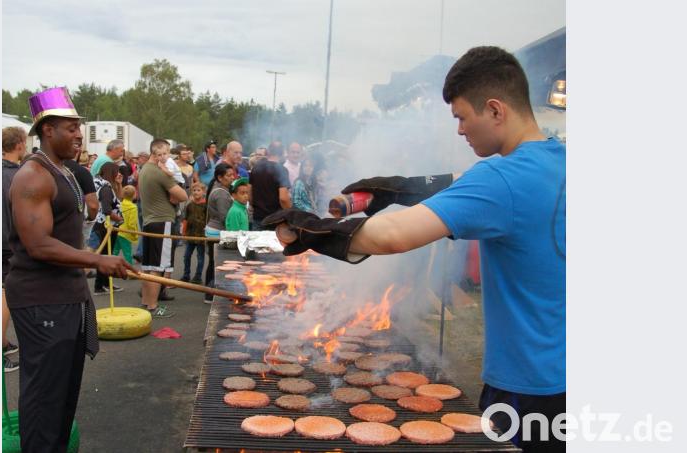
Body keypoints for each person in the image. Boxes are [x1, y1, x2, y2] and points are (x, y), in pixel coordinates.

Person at [264, 46, 565, 452]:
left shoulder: (502, 176)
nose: (459, 130)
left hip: (528, 387)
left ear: (495, 110)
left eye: (462, 116)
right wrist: (401, 188)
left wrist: (314, 231)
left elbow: (393, 235)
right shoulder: (560, 160)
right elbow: (464, 183)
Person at [6, 87, 132, 452]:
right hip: (41, 301)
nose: (78, 134)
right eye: (70, 127)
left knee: (63, 398)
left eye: (79, 127)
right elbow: (38, 244)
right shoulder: (33, 175)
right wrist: (97, 259)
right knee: (45, 399)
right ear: (47, 130)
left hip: (68, 299)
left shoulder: (63, 171)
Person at [138, 139, 189, 316]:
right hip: (162, 221)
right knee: (158, 267)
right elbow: (182, 196)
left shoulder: (145, 169)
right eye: (164, 153)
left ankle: (146, 302)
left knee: (148, 265)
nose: (166, 157)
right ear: (155, 153)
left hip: (149, 220)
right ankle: (153, 306)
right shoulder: (160, 173)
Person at [2, 126, 27, 373]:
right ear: (19, 144)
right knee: (4, 295)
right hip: (7, 244)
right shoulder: (18, 176)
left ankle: (5, 343)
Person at [203, 163, 237, 303]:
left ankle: (210, 293)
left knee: (214, 263)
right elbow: (225, 217)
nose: (232, 178)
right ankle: (210, 294)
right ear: (220, 177)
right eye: (228, 176)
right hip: (217, 231)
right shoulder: (221, 194)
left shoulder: (222, 189)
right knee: (216, 264)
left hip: (215, 230)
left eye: (232, 174)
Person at [92, 162, 124, 296]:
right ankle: (99, 285)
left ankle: (106, 282)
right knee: (105, 255)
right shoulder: (105, 188)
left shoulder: (109, 186)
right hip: (106, 226)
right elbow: (107, 209)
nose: (119, 174)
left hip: (109, 226)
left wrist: (119, 184)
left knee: (108, 254)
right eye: (117, 171)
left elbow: (120, 198)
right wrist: (119, 219)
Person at [248, 140, 291, 230]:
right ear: (282, 153)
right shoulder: (282, 170)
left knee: (257, 244)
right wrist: (290, 212)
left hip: (258, 218)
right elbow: (283, 198)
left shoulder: (256, 167)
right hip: (274, 221)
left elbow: (250, 194)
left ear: (268, 152)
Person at [180, 182, 208, 284]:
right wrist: (183, 232)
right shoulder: (189, 205)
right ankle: (186, 274)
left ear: (203, 192)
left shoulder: (206, 206)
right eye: (194, 190)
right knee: (186, 256)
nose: (196, 192)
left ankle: (198, 276)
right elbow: (185, 219)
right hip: (191, 234)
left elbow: (208, 220)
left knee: (200, 257)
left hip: (201, 235)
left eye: (198, 190)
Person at [114, 185, 139, 264]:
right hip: (126, 233)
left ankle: (110, 268)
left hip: (117, 230)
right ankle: (130, 270)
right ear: (134, 195)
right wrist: (134, 234)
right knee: (127, 253)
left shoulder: (120, 204)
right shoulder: (133, 207)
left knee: (114, 251)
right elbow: (132, 223)